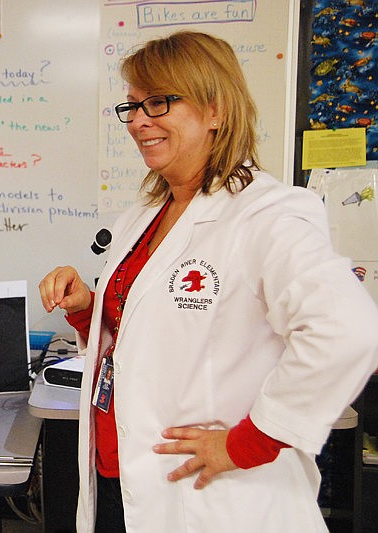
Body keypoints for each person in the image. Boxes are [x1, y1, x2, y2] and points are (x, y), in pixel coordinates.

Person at [38, 31, 378, 533]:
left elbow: (347, 332)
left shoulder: (267, 214)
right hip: (119, 478)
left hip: (210, 497)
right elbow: (153, 335)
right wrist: (90, 306)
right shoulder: (148, 214)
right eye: (131, 107)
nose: (138, 122)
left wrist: (250, 441)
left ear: (216, 110)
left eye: (158, 102)